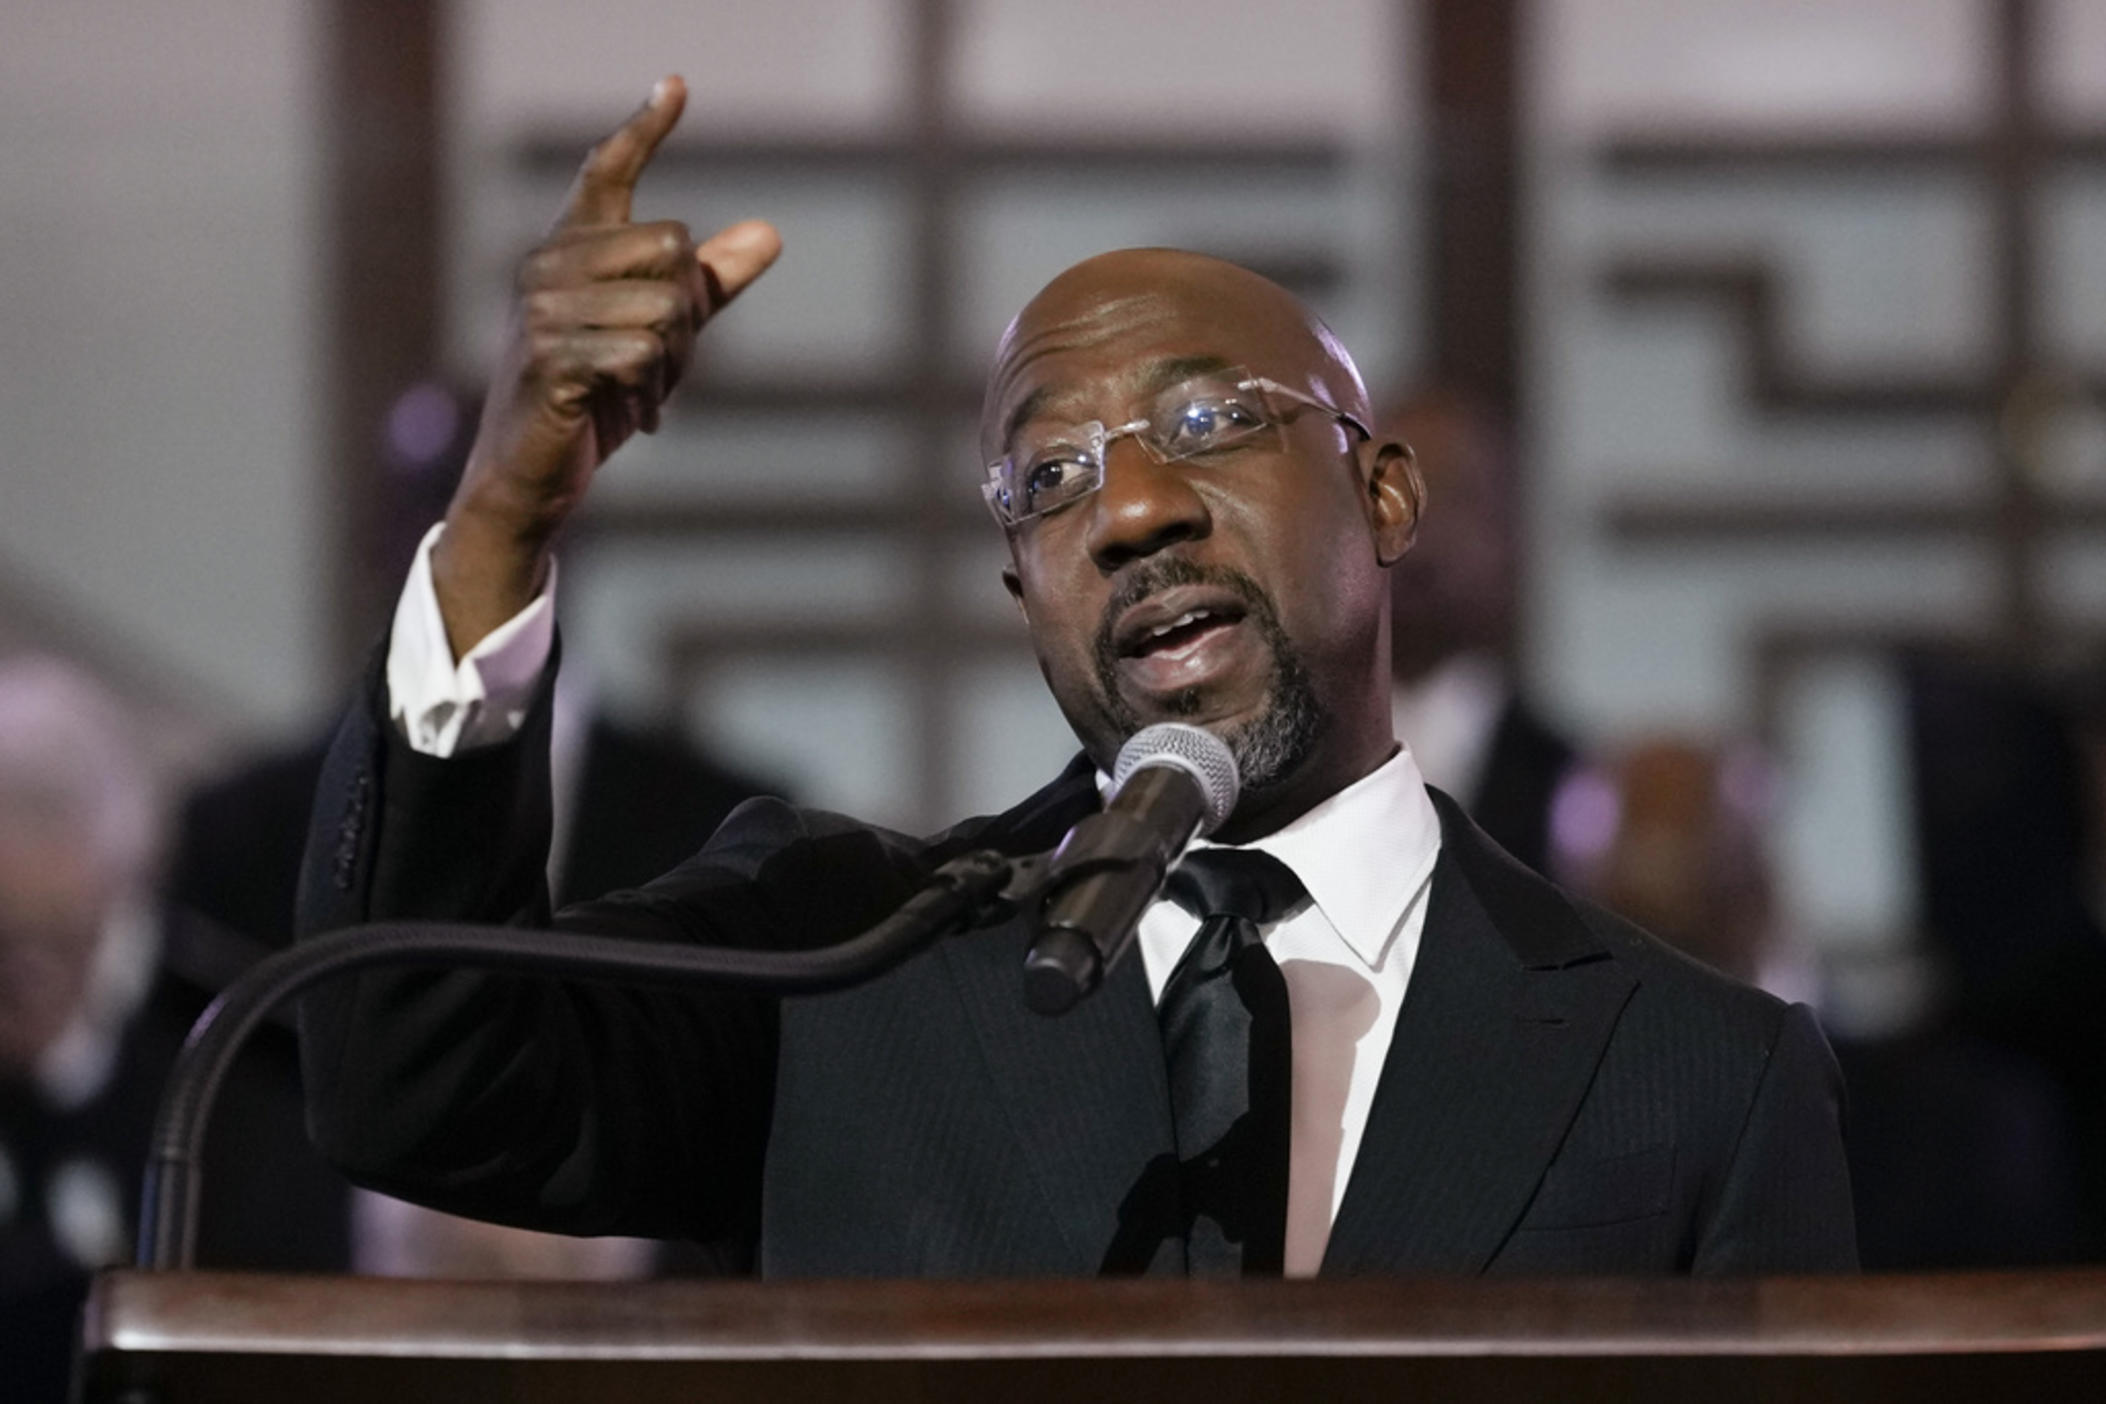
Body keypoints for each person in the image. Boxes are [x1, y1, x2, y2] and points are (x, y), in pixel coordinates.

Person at [297, 77, 1856, 1278]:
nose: (1126, 513)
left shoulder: (1692, 1069)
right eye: (1045, 480)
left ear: (1381, 498)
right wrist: (500, 515)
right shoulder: (842, 963)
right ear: (1018, 591)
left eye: (1203, 425)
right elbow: (418, 1078)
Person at [1383, 388, 1577, 876]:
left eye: (1455, 497)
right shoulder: (1271, 774)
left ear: (1510, 535)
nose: (1421, 530)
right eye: (1390, 497)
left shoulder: (1570, 785)